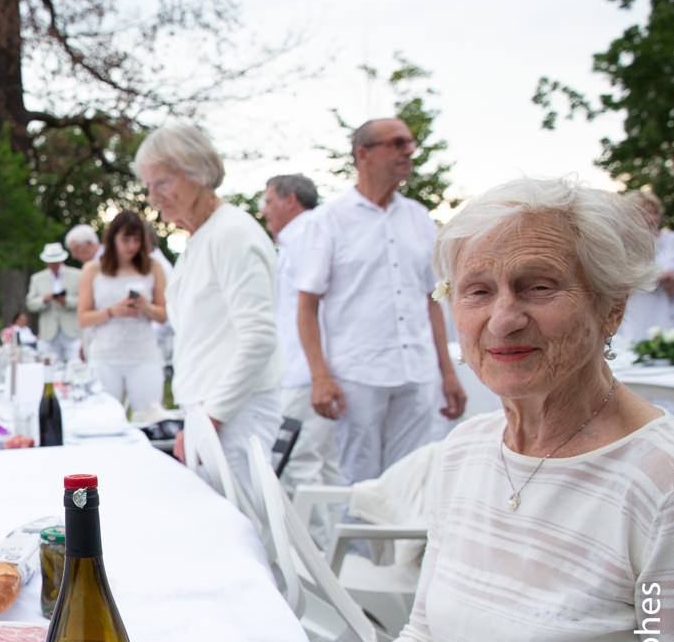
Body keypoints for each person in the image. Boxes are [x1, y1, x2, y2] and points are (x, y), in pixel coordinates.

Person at [326, 178, 674, 642]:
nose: (504, 318)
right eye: (477, 290)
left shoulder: (661, 486)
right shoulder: (468, 450)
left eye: (539, 287)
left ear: (612, 307)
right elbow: (427, 641)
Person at [294, 117, 466, 483]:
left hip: (417, 370)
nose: (409, 151)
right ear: (364, 154)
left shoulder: (419, 218)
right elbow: (307, 305)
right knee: (359, 483)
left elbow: (432, 300)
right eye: (397, 143)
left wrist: (448, 374)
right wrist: (320, 376)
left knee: (411, 481)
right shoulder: (329, 220)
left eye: (409, 143)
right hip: (357, 374)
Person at [135, 123, 284, 497]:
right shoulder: (202, 237)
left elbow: (258, 338)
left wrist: (211, 417)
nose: (153, 197)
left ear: (197, 173)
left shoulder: (232, 233)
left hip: (235, 412)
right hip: (212, 410)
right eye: (149, 186)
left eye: (162, 182)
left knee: (243, 523)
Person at [261, 174, 345, 524]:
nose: (263, 211)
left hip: (305, 370)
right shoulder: (291, 242)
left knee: (303, 465)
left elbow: (312, 307)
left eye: (268, 202)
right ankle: (335, 546)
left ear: (290, 200)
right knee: (323, 466)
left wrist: (317, 374)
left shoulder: (308, 234)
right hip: (301, 369)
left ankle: (316, 552)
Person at [77, 209, 167, 413]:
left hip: (143, 354)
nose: (131, 246)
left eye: (136, 240)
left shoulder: (153, 267)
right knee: (105, 418)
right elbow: (83, 318)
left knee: (149, 415)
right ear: (113, 238)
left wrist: (146, 306)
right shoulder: (93, 269)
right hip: (105, 355)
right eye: (126, 240)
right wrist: (112, 311)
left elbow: (163, 315)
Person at [622, 192, 674, 343]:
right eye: (643, 213)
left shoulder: (673, 240)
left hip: (670, 311)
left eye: (654, 212)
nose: (650, 218)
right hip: (637, 314)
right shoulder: (624, 245)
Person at [25, 243, 83, 364]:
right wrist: (44, 300)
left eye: (56, 261)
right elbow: (30, 303)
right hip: (49, 332)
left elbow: (84, 299)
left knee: (77, 364)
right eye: (51, 262)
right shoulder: (37, 278)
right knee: (51, 366)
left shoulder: (77, 275)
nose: (54, 264)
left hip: (72, 330)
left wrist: (66, 301)